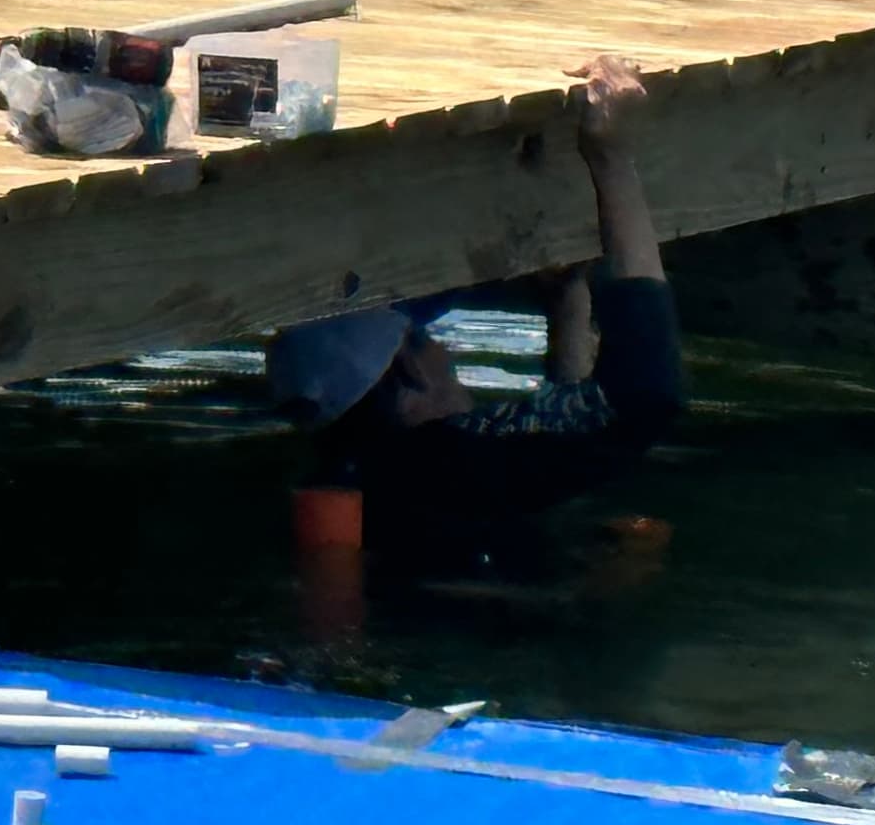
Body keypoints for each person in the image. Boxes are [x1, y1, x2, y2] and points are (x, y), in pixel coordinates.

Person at [267, 58, 686, 525]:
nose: (444, 352)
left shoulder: (378, 473)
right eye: (421, 340)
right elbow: (646, 398)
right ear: (410, 387)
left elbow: (553, 433)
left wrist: (568, 306)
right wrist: (611, 157)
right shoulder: (454, 461)